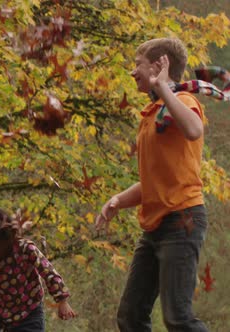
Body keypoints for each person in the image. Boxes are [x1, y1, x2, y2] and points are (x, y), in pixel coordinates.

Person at [95, 37, 208, 331]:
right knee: (130, 316)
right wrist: (118, 200)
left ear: (159, 65)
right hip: (155, 226)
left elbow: (194, 130)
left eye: (138, 64)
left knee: (178, 318)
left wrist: (163, 88)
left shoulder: (182, 101)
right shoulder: (152, 113)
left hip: (183, 219)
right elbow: (154, 181)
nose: (133, 72)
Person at [0, 207, 76, 332]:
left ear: (4, 238)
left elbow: (48, 272)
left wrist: (62, 300)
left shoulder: (25, 249)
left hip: (29, 314)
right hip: (2, 316)